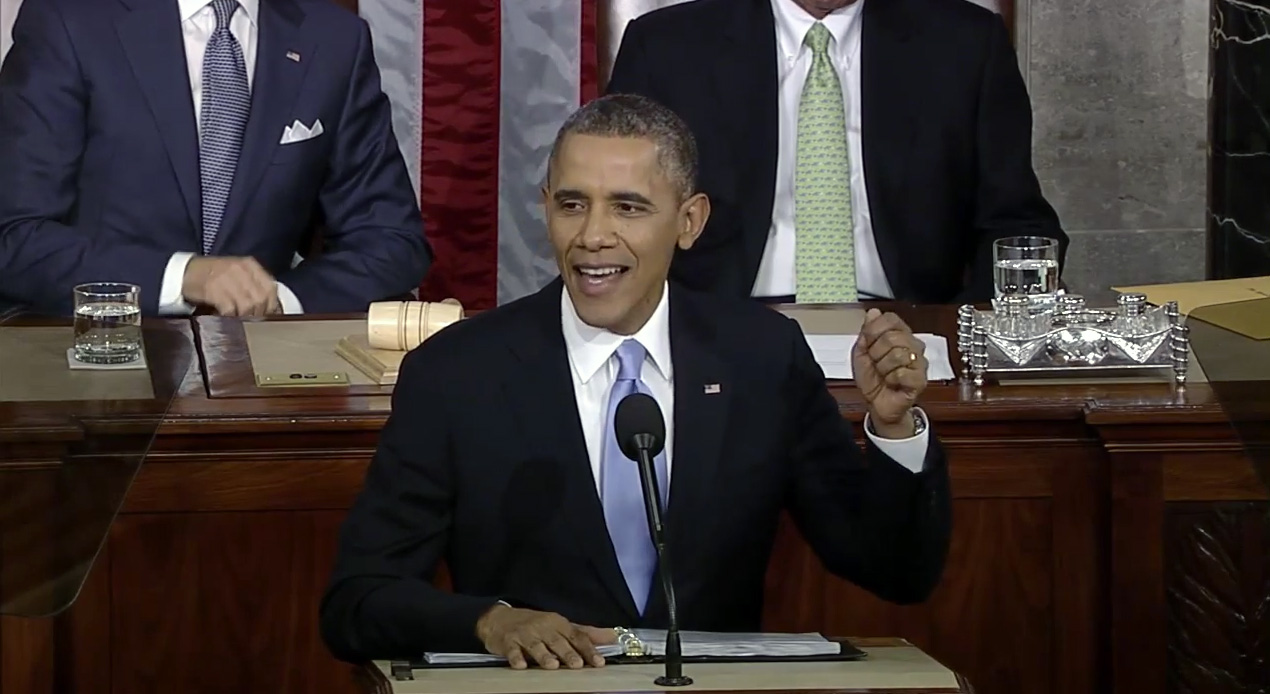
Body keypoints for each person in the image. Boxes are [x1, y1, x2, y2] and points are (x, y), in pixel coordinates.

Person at [319, 93, 951, 667]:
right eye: (572, 205)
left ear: (689, 220)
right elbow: (358, 602)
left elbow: (894, 571)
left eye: (628, 207)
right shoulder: (458, 374)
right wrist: (491, 621)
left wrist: (894, 428)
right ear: (546, 209)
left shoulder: (760, 356)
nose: (593, 236)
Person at [605, 0, 1066, 304]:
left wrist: (966, 338)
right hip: (716, 331)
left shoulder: (966, 43)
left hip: (907, 328)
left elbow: (1016, 224)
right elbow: (615, 213)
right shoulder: (666, 47)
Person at [0, 0, 430, 316]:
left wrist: (279, 300)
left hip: (258, 384)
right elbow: (14, 237)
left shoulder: (334, 38)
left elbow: (391, 241)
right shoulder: (70, 19)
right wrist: (185, 277)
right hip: (97, 369)